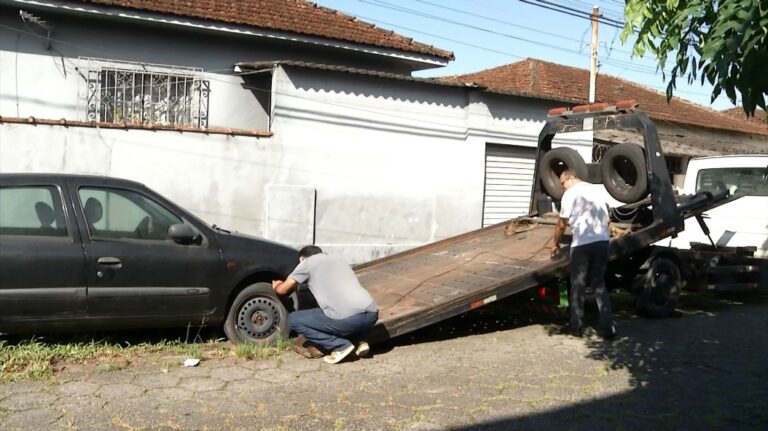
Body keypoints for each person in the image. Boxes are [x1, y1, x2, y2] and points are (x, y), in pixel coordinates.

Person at [272, 245, 379, 364]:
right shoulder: (339, 260)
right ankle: (361, 342)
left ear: (302, 258)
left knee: (294, 320)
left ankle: (341, 346)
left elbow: (283, 290)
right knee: (347, 308)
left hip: (347, 319)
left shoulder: (306, 263)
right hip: (372, 314)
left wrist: (276, 285)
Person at [551, 169, 616, 339]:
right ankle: (607, 326)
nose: (562, 188)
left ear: (570, 179)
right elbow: (607, 219)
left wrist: (556, 243)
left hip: (582, 245)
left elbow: (561, 223)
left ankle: (576, 326)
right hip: (602, 242)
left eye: (562, 184)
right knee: (599, 284)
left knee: (578, 285)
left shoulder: (570, 194)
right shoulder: (596, 190)